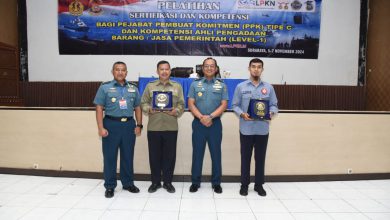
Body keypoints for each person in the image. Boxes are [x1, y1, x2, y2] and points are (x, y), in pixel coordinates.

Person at [93, 61, 143, 198]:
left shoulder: (133, 88)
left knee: (128, 156)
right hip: (111, 125)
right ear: (112, 72)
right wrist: (100, 127)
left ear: (126, 72)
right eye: (117, 70)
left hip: (128, 126)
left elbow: (138, 107)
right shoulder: (105, 88)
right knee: (110, 157)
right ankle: (110, 186)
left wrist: (139, 125)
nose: (120, 72)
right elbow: (99, 108)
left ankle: (128, 183)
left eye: (123, 70)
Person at [232, 58, 278, 196]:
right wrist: (242, 114)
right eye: (253, 66)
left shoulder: (269, 87)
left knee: (260, 158)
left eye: (259, 67)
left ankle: (259, 185)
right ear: (249, 68)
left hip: (262, 130)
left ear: (262, 70)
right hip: (246, 129)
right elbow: (234, 105)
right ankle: (244, 185)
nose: (256, 69)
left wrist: (271, 112)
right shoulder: (241, 87)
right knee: (245, 158)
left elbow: (275, 105)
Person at [140, 60, 185, 193]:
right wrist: (149, 109)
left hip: (171, 127)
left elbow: (182, 104)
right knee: (154, 156)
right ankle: (155, 182)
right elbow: (143, 103)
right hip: (154, 127)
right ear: (157, 71)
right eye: (162, 69)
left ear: (170, 71)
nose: (164, 71)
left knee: (170, 157)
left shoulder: (177, 86)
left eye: (167, 69)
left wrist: (175, 111)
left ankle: (167, 182)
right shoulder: (150, 86)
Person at [187, 57, 228, 194]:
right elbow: (191, 103)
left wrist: (210, 117)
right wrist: (201, 117)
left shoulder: (222, 85)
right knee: (197, 154)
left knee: (216, 154)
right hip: (198, 123)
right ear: (202, 68)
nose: (209, 68)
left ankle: (216, 183)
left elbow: (224, 104)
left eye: (212, 66)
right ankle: (195, 182)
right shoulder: (195, 84)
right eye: (206, 66)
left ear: (216, 69)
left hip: (215, 124)